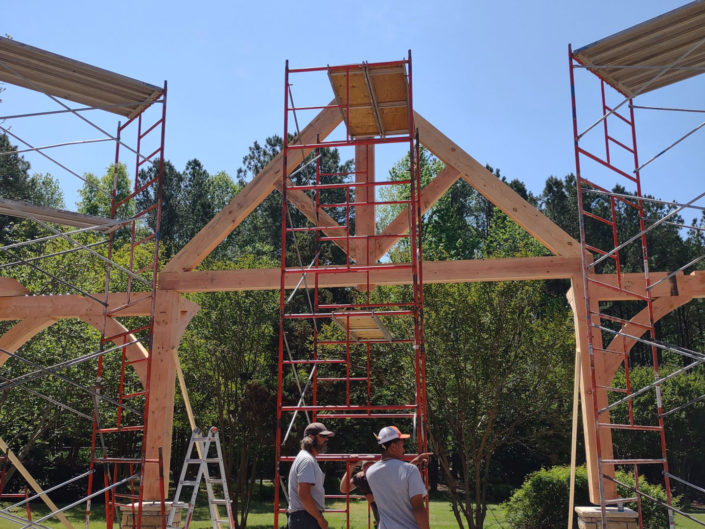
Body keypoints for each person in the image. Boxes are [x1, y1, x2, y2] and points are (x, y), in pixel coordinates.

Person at [365, 426, 430, 529]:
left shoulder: (370, 472)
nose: (403, 450)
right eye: (402, 445)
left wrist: (413, 463)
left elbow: (392, 476)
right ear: (393, 446)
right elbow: (418, 508)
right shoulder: (410, 470)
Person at [287, 422, 335, 529]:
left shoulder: (306, 458)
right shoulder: (307, 460)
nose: (326, 439)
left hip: (304, 517)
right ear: (311, 438)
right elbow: (303, 494)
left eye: (327, 437)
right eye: (323, 436)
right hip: (305, 519)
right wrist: (320, 519)